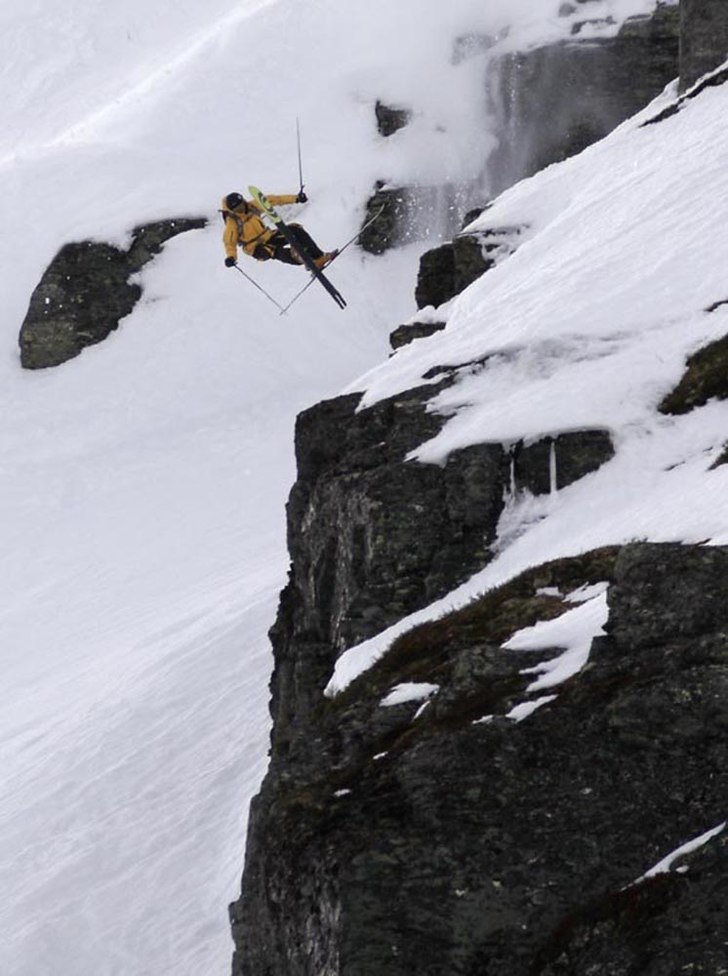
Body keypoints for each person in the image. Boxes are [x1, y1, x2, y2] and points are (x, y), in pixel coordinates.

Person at [221, 190, 336, 270]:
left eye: (241, 205)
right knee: (273, 251)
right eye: (237, 209)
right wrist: (231, 257)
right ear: (232, 211)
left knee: (294, 229)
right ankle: (303, 260)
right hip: (255, 248)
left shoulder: (252, 206)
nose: (241, 209)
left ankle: (318, 258)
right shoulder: (232, 223)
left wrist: (296, 198)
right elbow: (229, 243)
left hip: (268, 236)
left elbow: (274, 200)